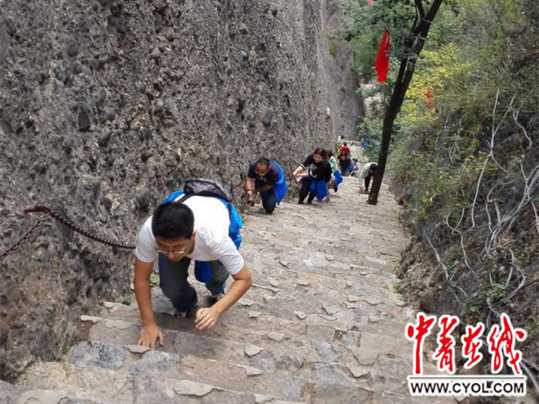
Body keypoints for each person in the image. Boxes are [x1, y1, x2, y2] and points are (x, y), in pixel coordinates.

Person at [134, 185, 253, 349]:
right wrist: (149, 324)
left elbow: (244, 279)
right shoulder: (150, 231)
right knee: (170, 287)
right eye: (162, 247)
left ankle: (216, 291)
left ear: (193, 235)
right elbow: (141, 278)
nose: (171, 255)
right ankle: (186, 304)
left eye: (177, 248)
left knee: (218, 277)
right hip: (193, 238)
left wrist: (215, 310)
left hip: (212, 246)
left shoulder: (216, 238)